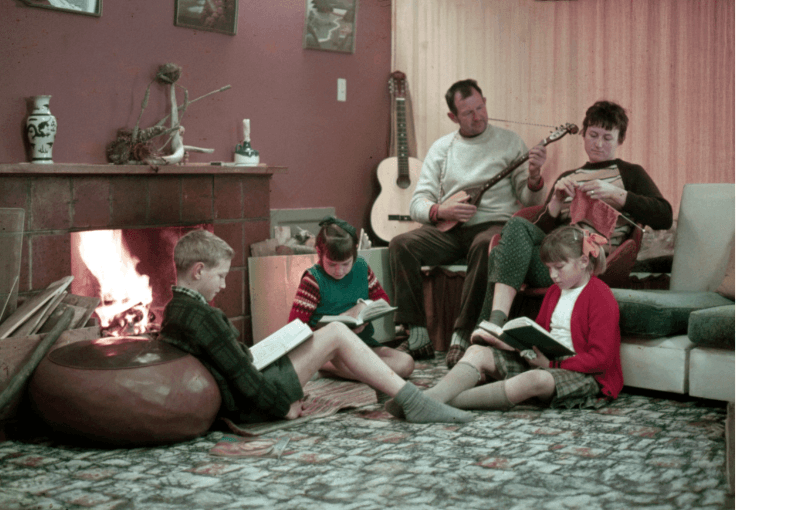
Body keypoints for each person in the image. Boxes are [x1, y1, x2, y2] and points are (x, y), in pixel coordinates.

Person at [159, 229, 473, 425]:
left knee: (336, 337)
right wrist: (284, 408)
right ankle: (415, 403)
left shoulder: (177, 309)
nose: (224, 285)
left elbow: (232, 365)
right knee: (336, 334)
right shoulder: (204, 317)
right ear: (199, 271)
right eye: (220, 276)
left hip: (248, 385)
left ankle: (402, 398)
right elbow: (245, 383)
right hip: (249, 404)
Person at [446, 100, 673, 368]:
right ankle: (495, 331)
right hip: (553, 263)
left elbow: (664, 215)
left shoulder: (630, 173)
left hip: (588, 266)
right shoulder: (569, 176)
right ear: (584, 134)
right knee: (513, 232)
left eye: (607, 137)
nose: (598, 143)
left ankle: (490, 329)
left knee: (501, 252)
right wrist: (555, 201)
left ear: (619, 140)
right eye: (593, 135)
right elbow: (537, 237)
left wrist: (617, 195)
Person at [388, 79, 548, 360]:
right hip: (450, 229)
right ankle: (417, 334)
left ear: (485, 101)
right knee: (401, 244)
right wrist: (441, 211)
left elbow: (531, 200)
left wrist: (534, 177)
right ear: (453, 117)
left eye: (481, 107)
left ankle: (462, 334)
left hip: (493, 225)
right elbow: (417, 203)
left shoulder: (510, 142)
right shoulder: (442, 148)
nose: (478, 116)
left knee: (484, 245)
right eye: (468, 113)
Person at [388, 225, 622, 416]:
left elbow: (600, 360)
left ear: (583, 261)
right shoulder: (555, 291)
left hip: (586, 376)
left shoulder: (600, 296)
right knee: (478, 351)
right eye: (549, 269)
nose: (552, 275)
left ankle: (427, 402)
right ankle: (432, 399)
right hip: (547, 361)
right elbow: (539, 335)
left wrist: (550, 366)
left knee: (534, 379)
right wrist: (510, 342)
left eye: (559, 268)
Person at [288, 216, 414, 380]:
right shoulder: (313, 281)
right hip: (327, 352)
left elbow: (382, 299)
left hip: (362, 345)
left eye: (346, 263)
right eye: (332, 264)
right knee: (374, 372)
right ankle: (326, 365)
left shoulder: (361, 267)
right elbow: (294, 329)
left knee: (406, 363)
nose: (339, 271)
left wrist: (365, 311)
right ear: (319, 253)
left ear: (354, 253)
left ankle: (330, 370)